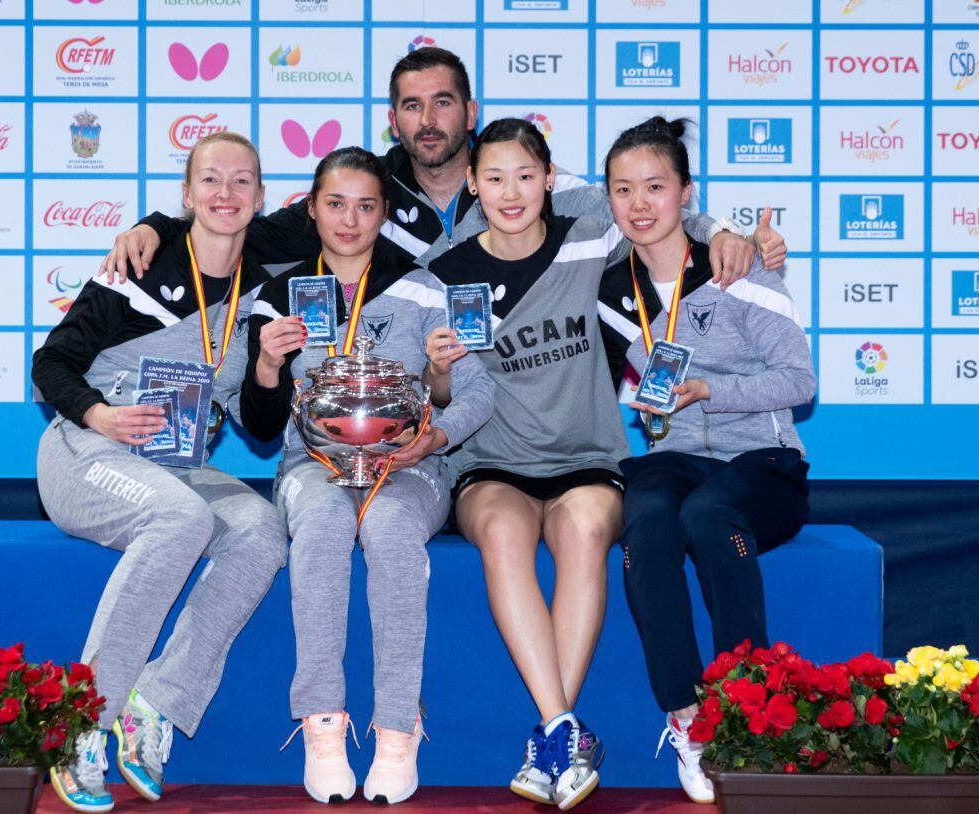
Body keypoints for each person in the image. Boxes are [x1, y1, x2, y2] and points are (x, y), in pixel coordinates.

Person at [32, 132, 289, 814]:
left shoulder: (261, 289)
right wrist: (98, 415)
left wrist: (268, 369)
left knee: (263, 531)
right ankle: (82, 723)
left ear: (260, 199)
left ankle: (155, 703)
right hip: (86, 454)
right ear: (186, 195)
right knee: (182, 518)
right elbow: (50, 363)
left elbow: (261, 428)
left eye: (241, 183)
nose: (225, 194)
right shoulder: (137, 267)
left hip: (176, 465)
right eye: (211, 180)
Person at [239, 147, 495, 805]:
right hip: (312, 467)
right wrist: (266, 368)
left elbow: (476, 393)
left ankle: (396, 729)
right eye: (334, 203)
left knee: (387, 528)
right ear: (311, 207)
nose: (349, 220)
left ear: (385, 212)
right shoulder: (277, 295)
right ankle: (323, 724)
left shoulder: (424, 289)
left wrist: (437, 433)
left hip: (412, 467)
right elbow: (263, 427)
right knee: (323, 525)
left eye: (366, 205)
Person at [99, 47, 784, 288]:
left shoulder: (521, 181)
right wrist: (163, 221)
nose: (428, 121)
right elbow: (243, 225)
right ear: (393, 119)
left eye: (442, 103)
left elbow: (636, 208)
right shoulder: (360, 193)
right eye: (411, 106)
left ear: (471, 110)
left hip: (508, 392)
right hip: (405, 397)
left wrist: (720, 230)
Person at [424, 116, 650, 810]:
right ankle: (563, 732)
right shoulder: (446, 271)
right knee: (500, 535)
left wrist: (732, 233)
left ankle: (554, 733)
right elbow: (439, 400)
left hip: (587, 455)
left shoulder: (587, 240)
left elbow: (659, 216)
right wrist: (436, 372)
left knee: (582, 534)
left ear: (551, 180)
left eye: (526, 175)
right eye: (493, 177)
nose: (511, 191)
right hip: (492, 461)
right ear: (472, 184)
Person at [597, 117, 816, 805]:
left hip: (763, 460)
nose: (639, 204)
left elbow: (800, 382)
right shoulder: (612, 292)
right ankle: (689, 718)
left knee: (708, 513)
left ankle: (746, 712)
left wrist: (709, 392)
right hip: (677, 456)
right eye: (623, 189)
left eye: (655, 187)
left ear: (686, 194)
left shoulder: (737, 268)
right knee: (650, 522)